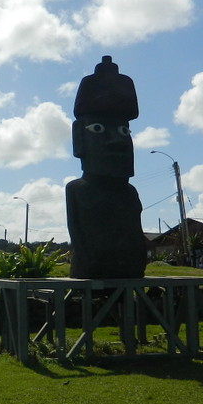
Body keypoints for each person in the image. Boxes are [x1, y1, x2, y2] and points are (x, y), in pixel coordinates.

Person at [65, 56, 148, 279]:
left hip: (130, 272)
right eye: (99, 128)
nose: (117, 140)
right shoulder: (78, 189)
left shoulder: (129, 192)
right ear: (78, 138)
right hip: (92, 271)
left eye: (124, 131)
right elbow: (81, 241)